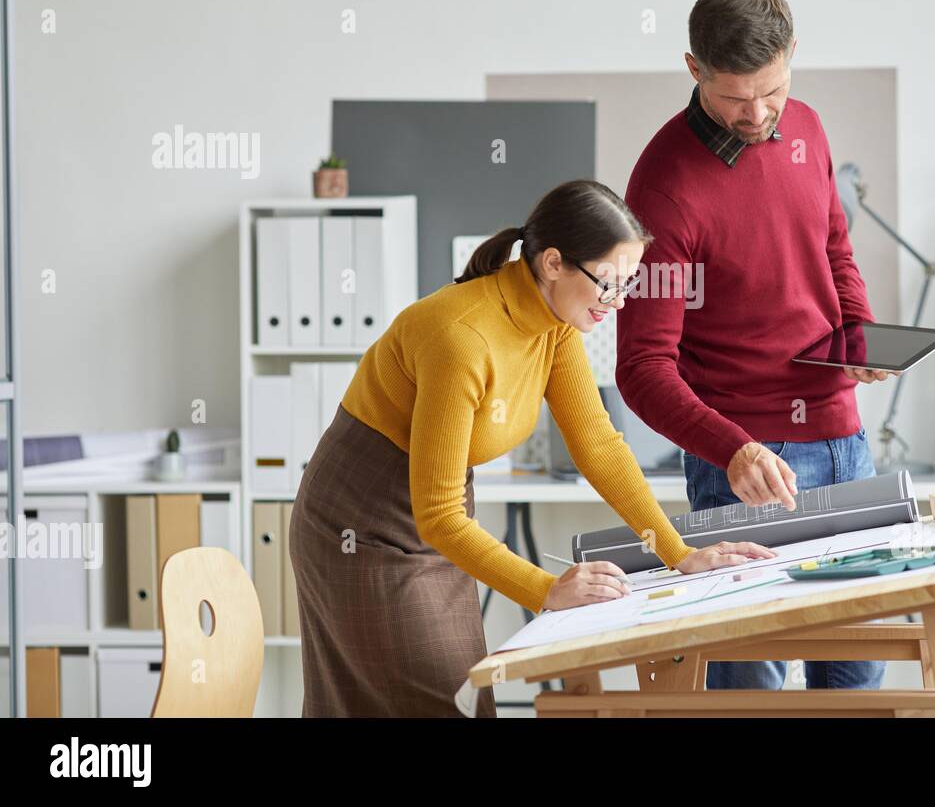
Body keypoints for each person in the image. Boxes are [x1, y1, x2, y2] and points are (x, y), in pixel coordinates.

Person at [289, 179, 772, 716]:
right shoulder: (461, 338)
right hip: (359, 518)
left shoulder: (556, 324)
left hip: (432, 511)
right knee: (435, 700)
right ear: (553, 263)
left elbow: (597, 444)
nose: (616, 302)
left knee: (466, 696)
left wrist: (675, 552)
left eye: (626, 285)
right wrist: (547, 589)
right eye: (606, 283)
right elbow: (439, 516)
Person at [617, 0, 895, 692]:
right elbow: (642, 368)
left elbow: (833, 244)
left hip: (844, 437)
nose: (760, 113)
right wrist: (731, 449)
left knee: (857, 671)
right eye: (736, 98)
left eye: (771, 90)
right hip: (744, 461)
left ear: (792, 55)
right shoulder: (661, 187)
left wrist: (858, 330)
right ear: (694, 70)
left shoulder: (807, 124)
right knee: (752, 692)